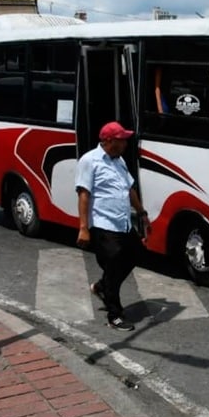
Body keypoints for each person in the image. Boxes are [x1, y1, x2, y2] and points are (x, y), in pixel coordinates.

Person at [76, 121, 150, 332]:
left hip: (123, 223)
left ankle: (101, 287)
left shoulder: (120, 161)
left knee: (136, 254)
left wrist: (142, 213)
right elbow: (83, 194)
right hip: (103, 224)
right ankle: (114, 315)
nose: (125, 143)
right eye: (121, 139)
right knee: (114, 265)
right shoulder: (89, 161)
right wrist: (83, 227)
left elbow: (129, 189)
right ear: (109, 141)